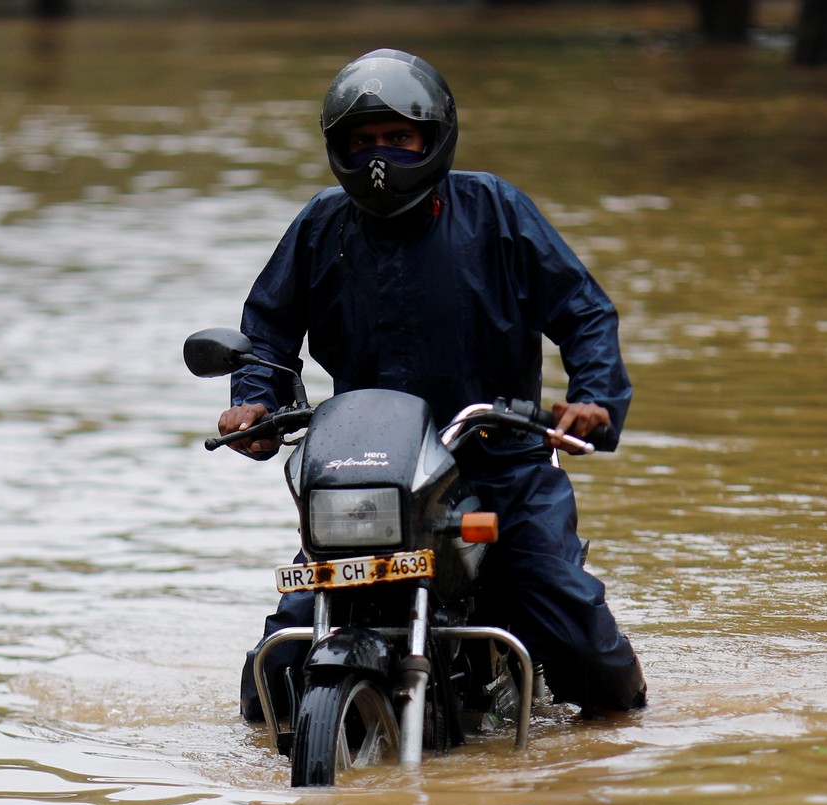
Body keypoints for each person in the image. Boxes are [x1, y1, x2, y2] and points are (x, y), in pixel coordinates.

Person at [218, 48, 646, 720]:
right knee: (271, 678)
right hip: (373, 478)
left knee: (586, 651)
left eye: (397, 138)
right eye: (361, 143)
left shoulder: (498, 211)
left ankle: (612, 747)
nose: (378, 158)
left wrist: (593, 398)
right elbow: (267, 331)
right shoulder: (319, 227)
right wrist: (255, 402)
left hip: (499, 466)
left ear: (433, 138)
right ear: (337, 149)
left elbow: (584, 313)